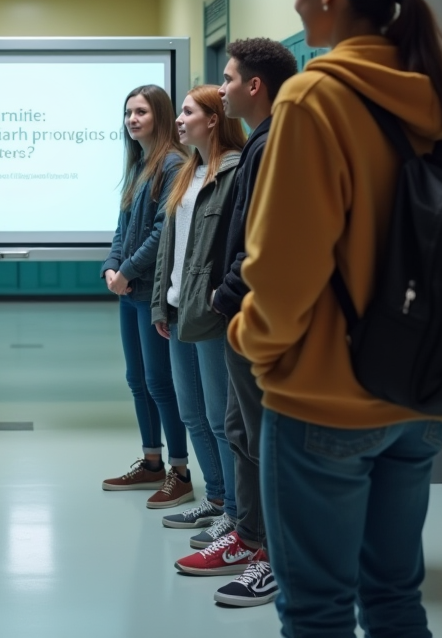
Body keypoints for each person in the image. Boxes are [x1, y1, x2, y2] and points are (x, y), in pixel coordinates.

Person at [228, 0, 442, 638]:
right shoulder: (438, 102)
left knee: (319, 612)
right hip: (420, 395)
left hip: (325, 399)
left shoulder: (314, 98)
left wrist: (252, 342)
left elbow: (283, 266)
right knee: (395, 600)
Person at [204, 37, 297, 607]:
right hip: (244, 314)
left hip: (258, 314)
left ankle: (276, 558)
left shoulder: (274, 145)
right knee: (241, 432)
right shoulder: (262, 141)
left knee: (266, 441)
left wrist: (228, 291)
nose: (221, 89)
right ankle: (250, 537)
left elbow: (269, 235)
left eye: (229, 78)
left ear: (255, 85)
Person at [149, 87, 247, 563]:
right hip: (177, 307)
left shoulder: (235, 171)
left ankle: (235, 511)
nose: (179, 119)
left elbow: (235, 248)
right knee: (192, 414)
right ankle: (216, 497)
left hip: (209, 314)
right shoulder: (188, 171)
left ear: (212, 120)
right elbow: (169, 248)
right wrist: (159, 304)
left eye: (187, 111)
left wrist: (215, 298)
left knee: (220, 418)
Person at [100, 85, 189, 504]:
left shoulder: (173, 164)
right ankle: (152, 463)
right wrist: (111, 266)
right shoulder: (139, 164)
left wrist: (126, 271)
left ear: (161, 116)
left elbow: (162, 231)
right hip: (129, 290)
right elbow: (122, 229)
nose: (132, 119)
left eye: (141, 112)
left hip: (151, 292)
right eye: (128, 113)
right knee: (137, 380)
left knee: (159, 383)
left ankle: (180, 471)